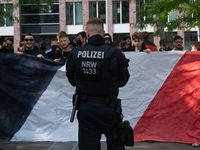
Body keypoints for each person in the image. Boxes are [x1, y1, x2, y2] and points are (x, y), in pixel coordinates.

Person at [66, 17, 130, 150]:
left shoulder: (76, 54)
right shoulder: (115, 53)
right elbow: (123, 81)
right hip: (109, 109)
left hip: (86, 109)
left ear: (87, 33)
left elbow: (73, 81)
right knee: (115, 145)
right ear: (104, 32)